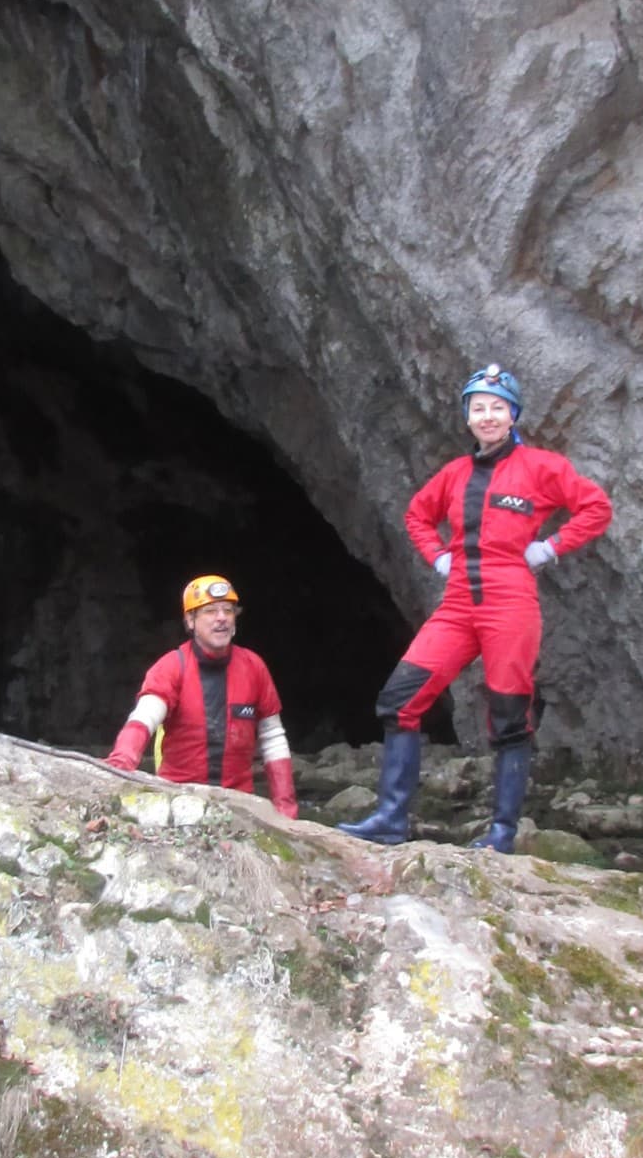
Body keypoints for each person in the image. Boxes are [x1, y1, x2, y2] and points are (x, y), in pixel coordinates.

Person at [342, 364, 611, 852]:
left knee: (509, 715)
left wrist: (548, 548)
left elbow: (596, 507)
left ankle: (502, 834)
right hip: (459, 601)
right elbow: (417, 515)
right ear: (468, 416)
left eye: (497, 407)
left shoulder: (541, 468)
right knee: (399, 700)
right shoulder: (455, 473)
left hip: (511, 599)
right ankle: (390, 818)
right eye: (478, 408)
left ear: (513, 415)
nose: (487, 416)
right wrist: (438, 557)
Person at [107, 574, 299, 815]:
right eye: (210, 611)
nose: (221, 619)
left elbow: (272, 737)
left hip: (240, 807)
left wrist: (286, 808)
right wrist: (121, 763)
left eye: (228, 611)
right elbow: (145, 716)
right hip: (179, 801)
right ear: (190, 620)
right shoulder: (171, 667)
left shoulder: (254, 667)